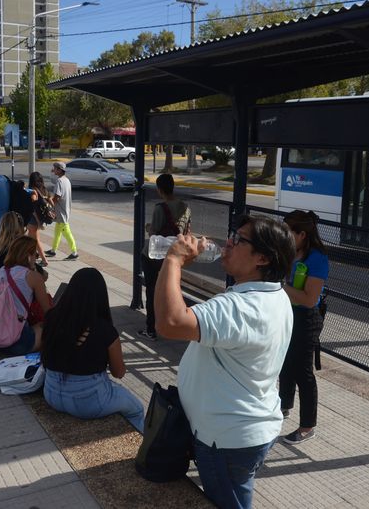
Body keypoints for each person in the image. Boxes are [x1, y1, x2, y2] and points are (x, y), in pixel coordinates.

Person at [154, 216, 295, 509]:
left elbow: (169, 323)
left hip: (228, 440)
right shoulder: (273, 294)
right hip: (247, 427)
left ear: (263, 258)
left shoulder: (243, 307)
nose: (227, 242)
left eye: (239, 239)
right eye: (232, 235)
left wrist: (173, 261)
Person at [42, 268, 144, 432]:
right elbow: (119, 372)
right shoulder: (105, 330)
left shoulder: (52, 318)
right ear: (101, 296)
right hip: (88, 402)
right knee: (137, 408)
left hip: (51, 393)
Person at [279, 210, 329, 446]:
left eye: (288, 232)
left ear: (301, 234)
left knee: (303, 373)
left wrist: (280, 286)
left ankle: (308, 426)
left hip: (306, 317)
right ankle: (283, 405)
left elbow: (310, 299)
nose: (284, 236)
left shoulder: (317, 259)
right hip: (288, 313)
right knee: (285, 363)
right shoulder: (291, 251)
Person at [139, 174, 191, 340]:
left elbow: (154, 232)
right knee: (171, 289)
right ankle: (170, 325)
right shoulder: (186, 207)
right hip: (174, 255)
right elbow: (186, 231)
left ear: (160, 190)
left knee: (153, 290)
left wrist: (149, 227)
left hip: (154, 256)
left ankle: (151, 329)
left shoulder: (160, 208)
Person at [0, 236, 52, 357]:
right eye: (35, 254)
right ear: (29, 256)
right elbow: (48, 312)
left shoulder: (0, 272)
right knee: (49, 328)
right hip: (17, 343)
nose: (36, 257)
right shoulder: (33, 276)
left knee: (37, 325)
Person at [45, 162, 78, 260]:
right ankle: (53, 251)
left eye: (54, 168)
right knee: (57, 232)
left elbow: (57, 197)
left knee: (67, 233)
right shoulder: (66, 180)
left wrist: (50, 204)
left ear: (59, 170)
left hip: (61, 212)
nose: (53, 169)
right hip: (65, 210)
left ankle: (74, 252)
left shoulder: (59, 181)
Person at [27, 171, 51, 266]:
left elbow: (33, 207)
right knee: (31, 242)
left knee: (35, 242)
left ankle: (44, 260)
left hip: (33, 220)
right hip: (38, 219)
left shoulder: (33, 190)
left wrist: (38, 222)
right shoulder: (43, 189)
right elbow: (50, 200)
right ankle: (31, 261)